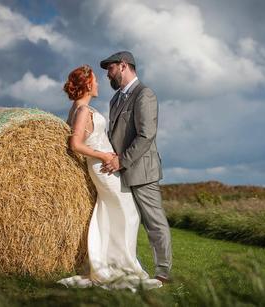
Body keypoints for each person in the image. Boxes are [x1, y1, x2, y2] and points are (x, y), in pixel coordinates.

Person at [57, 64, 162, 291]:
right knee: (129, 213)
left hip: (104, 166)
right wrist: (103, 154)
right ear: (87, 84)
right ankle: (122, 267)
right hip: (103, 167)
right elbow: (75, 144)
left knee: (109, 212)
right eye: (94, 80)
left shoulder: (77, 108)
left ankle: (109, 263)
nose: (98, 83)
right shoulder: (84, 110)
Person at [100, 51, 172, 283]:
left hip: (142, 171)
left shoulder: (145, 94)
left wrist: (121, 160)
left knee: (154, 223)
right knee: (125, 221)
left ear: (123, 66)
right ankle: (126, 266)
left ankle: (163, 272)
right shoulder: (114, 100)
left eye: (110, 69)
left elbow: (146, 134)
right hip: (119, 171)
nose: (107, 75)